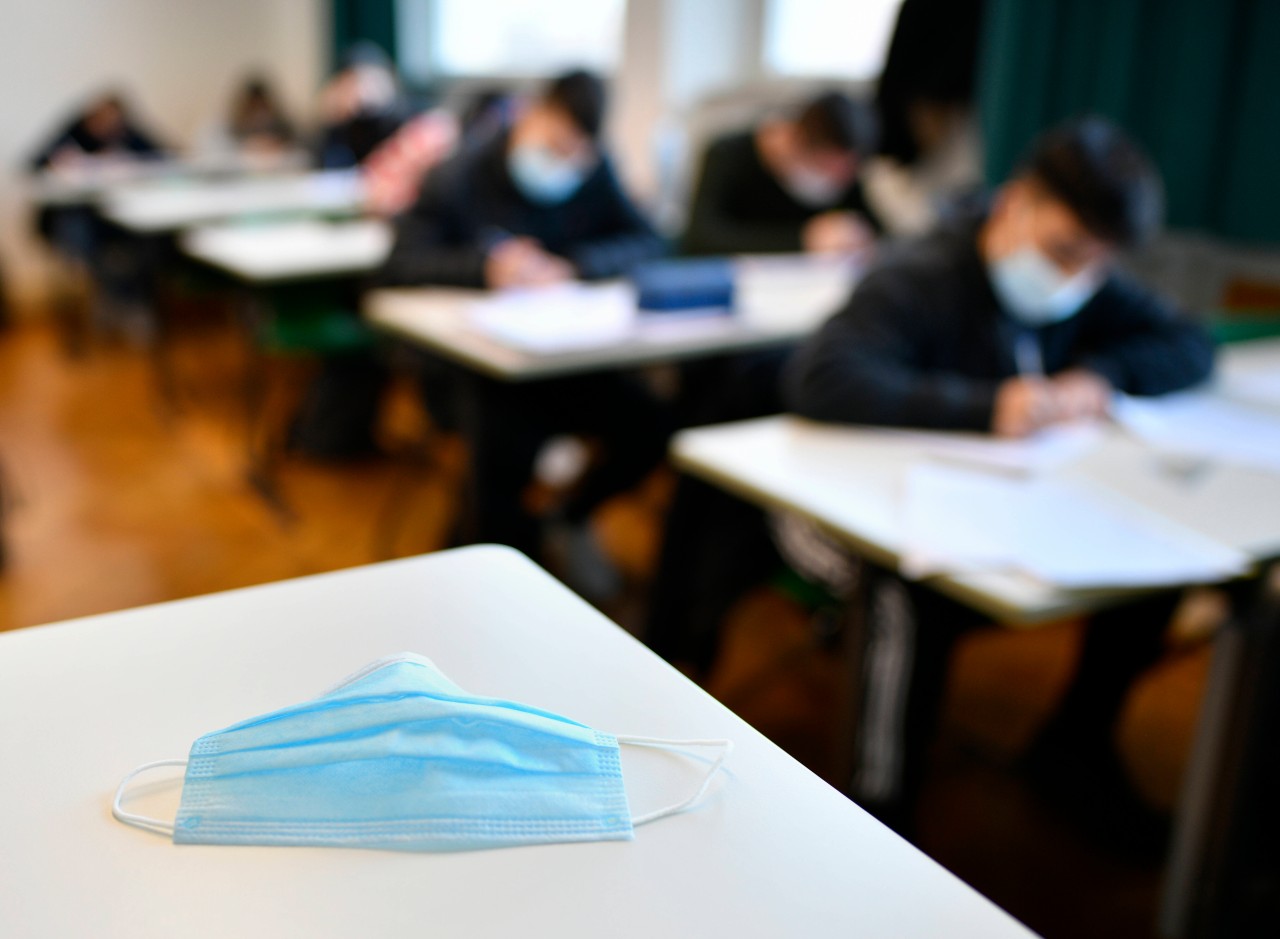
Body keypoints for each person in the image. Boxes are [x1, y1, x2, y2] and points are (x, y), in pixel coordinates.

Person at [778, 117, 1213, 843]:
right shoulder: (919, 276)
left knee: (1154, 565)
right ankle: (880, 819)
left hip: (995, 504)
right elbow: (822, 378)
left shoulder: (1085, 281)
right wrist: (985, 408)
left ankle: (1075, 745)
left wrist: (1101, 377)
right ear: (1014, 203)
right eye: (1064, 251)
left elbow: (1187, 343)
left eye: (1098, 264)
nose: (1076, 277)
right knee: (903, 589)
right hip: (847, 508)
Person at [376, 70, 669, 587]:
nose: (564, 161)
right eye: (555, 144)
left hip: (567, 363)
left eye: (576, 151)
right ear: (530, 114)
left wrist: (574, 264)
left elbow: (651, 242)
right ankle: (504, 578)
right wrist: (483, 269)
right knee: (502, 453)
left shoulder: (594, 173)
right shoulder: (458, 174)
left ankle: (567, 517)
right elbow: (398, 265)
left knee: (651, 425)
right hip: (476, 369)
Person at [681, 91, 882, 257]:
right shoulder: (727, 153)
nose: (844, 179)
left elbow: (876, 230)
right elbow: (699, 239)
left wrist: (859, 236)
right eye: (834, 168)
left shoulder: (846, 171)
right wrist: (803, 239)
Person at [314, 42, 408, 169]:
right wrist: (332, 117)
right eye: (353, 84)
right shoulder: (346, 124)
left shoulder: (405, 121)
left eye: (373, 82)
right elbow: (330, 167)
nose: (364, 92)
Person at [199, 75, 297, 162]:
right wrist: (248, 147)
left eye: (261, 107)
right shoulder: (227, 127)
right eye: (253, 107)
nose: (258, 113)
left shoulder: (282, 127)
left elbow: (295, 150)